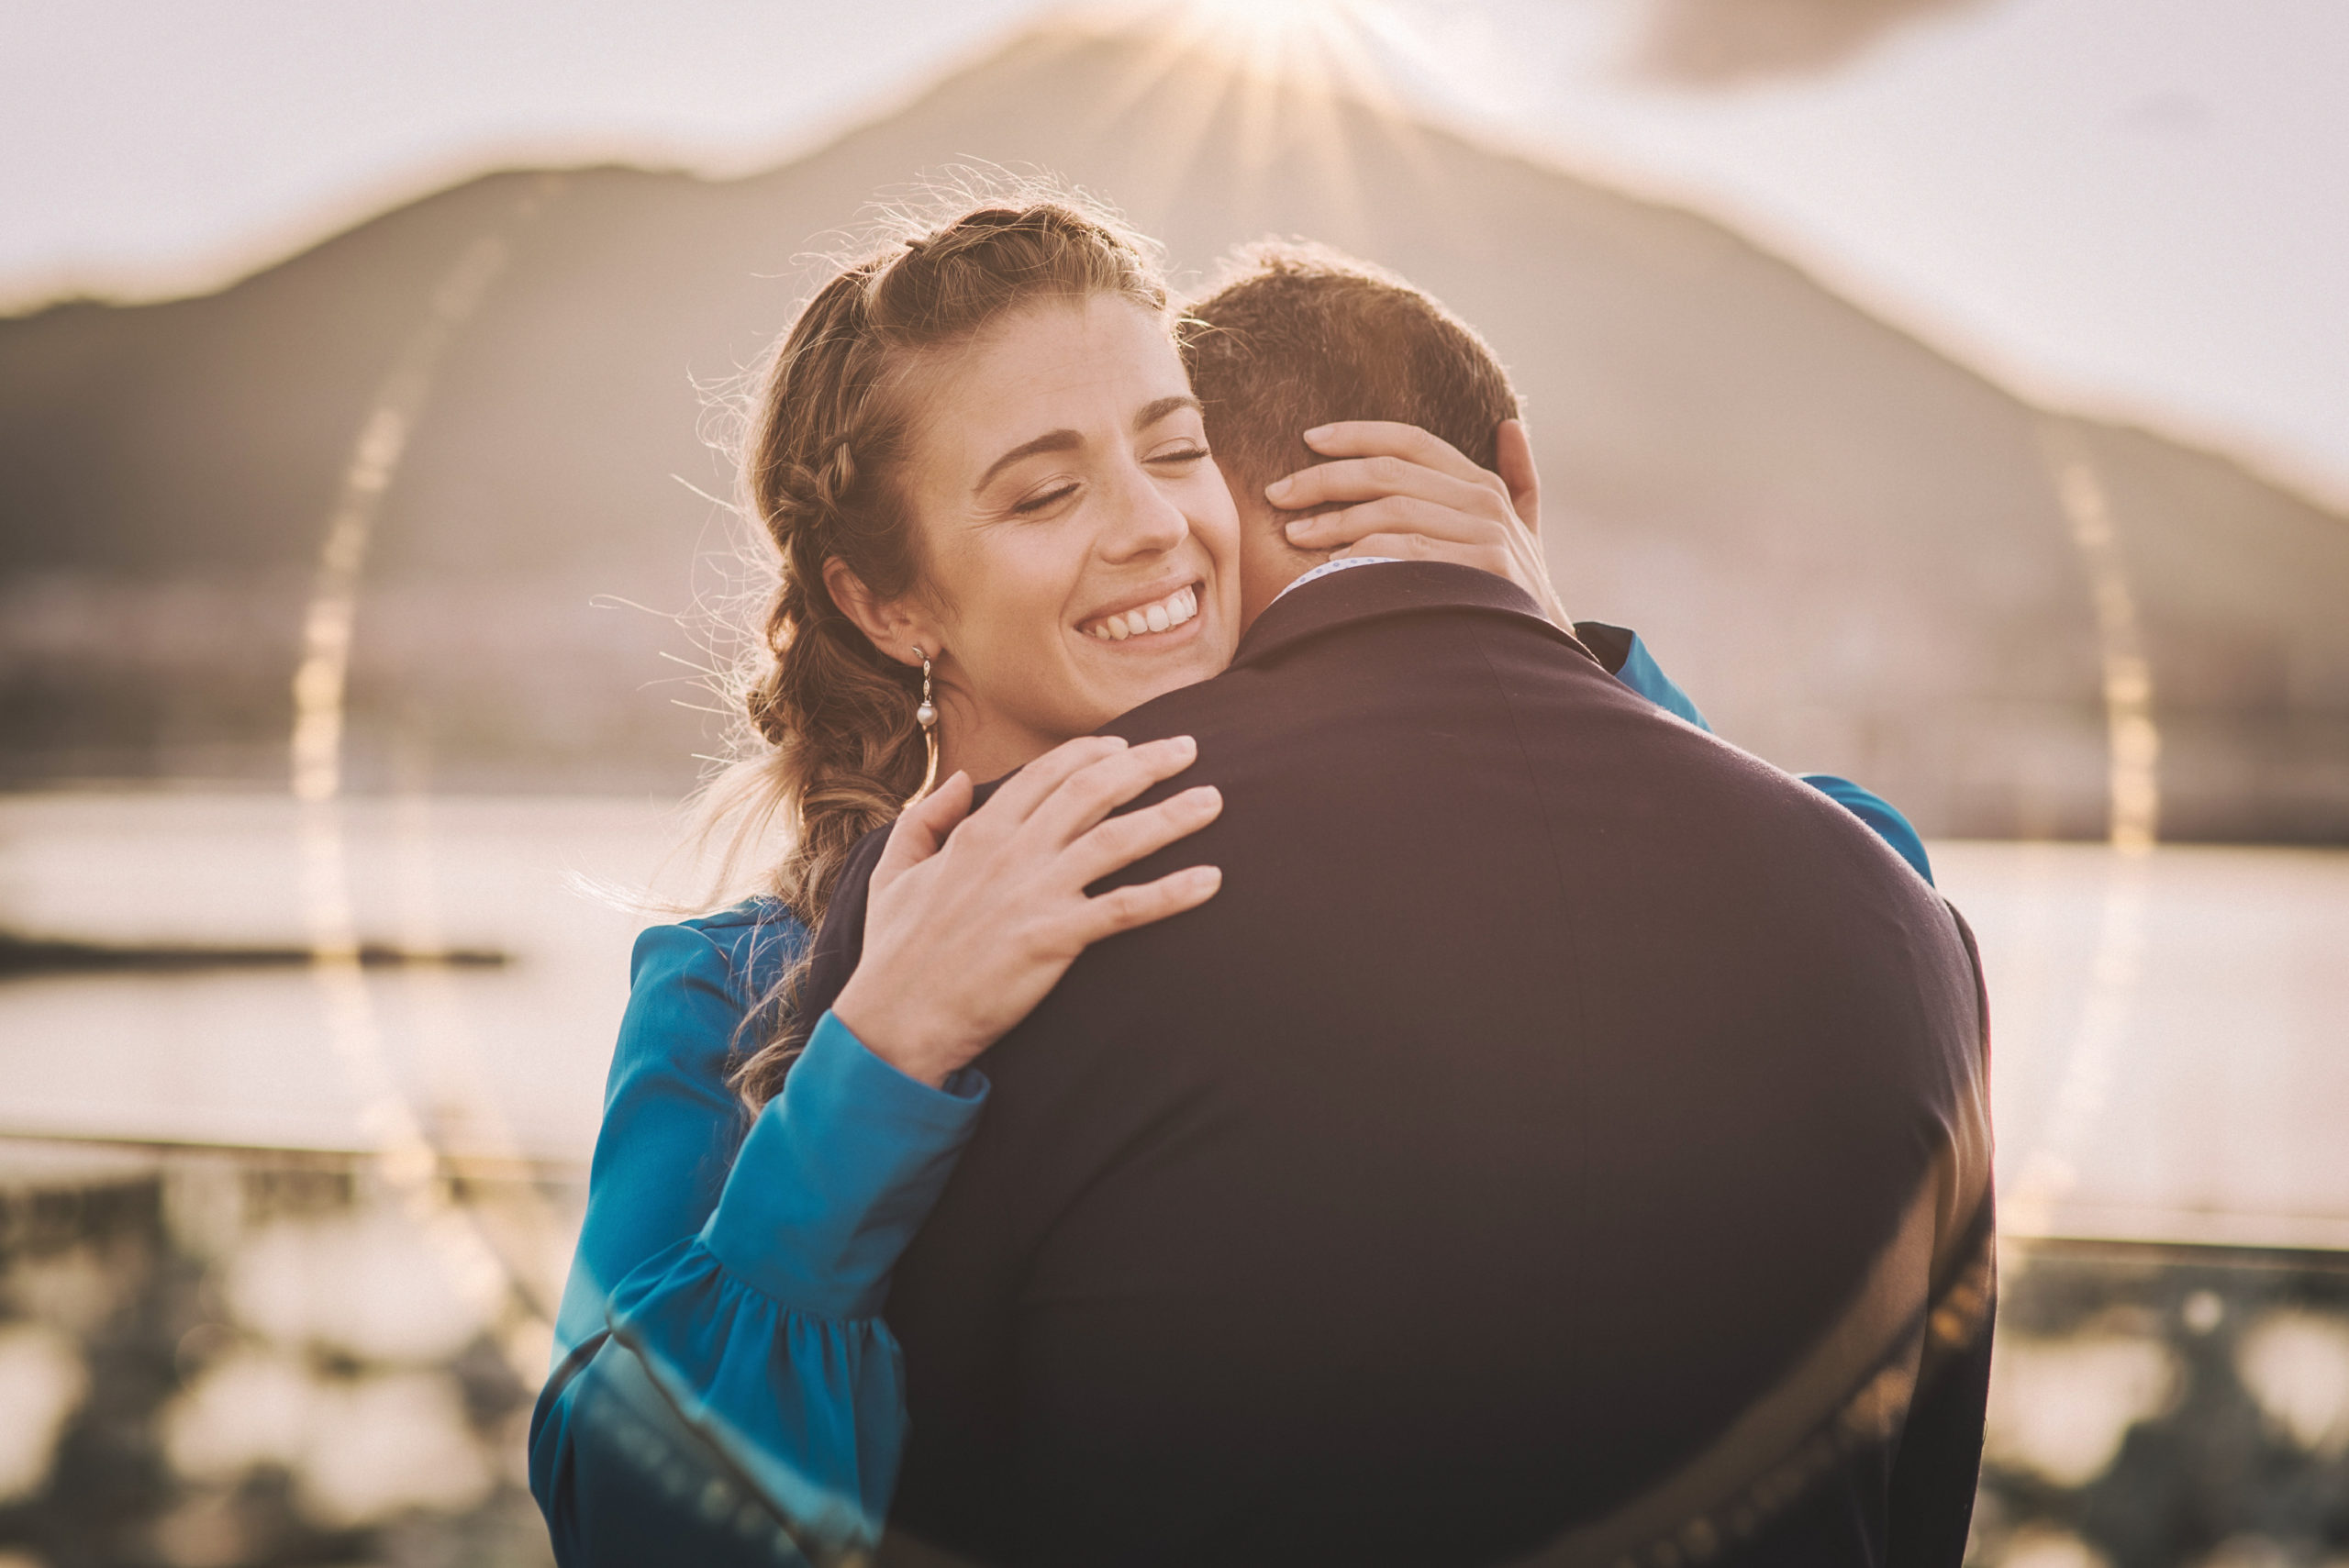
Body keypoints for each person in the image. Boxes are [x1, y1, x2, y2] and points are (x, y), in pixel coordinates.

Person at [529, 200, 1977, 1565]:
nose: (1154, 525)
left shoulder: (1323, 876)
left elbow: (1814, 899)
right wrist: (880, 1050)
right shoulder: (741, 980)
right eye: (1044, 493)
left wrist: (1527, 636)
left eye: (1174, 452)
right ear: (886, 599)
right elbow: (622, 1516)